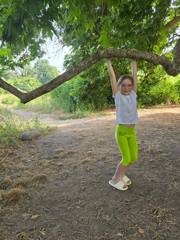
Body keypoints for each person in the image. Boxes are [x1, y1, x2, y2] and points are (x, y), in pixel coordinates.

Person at [106, 59, 139, 191]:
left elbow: (134, 75)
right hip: (121, 132)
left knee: (134, 157)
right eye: (123, 85)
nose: (126, 88)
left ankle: (122, 174)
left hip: (131, 132)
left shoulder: (133, 95)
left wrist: (134, 61)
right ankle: (114, 179)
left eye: (129, 85)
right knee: (126, 158)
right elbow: (112, 76)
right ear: (119, 86)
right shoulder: (118, 96)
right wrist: (108, 62)